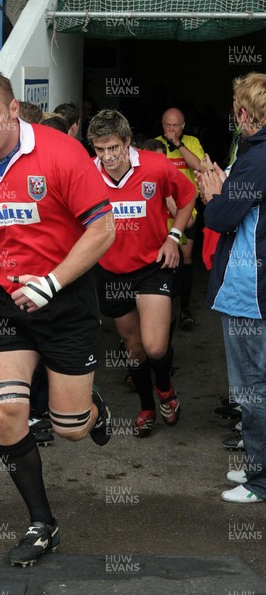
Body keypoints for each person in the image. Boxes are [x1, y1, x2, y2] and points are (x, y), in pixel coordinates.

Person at [0, 68, 116, 566]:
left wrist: (53, 281)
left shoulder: (62, 154)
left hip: (65, 299)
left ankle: (92, 411)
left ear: (14, 109)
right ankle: (42, 522)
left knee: (70, 427)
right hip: (5, 304)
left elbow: (102, 229)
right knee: (6, 412)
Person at [87, 109, 195, 437]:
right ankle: (147, 406)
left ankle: (165, 389)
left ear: (128, 142)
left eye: (113, 148)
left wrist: (174, 238)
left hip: (152, 267)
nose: (107, 157)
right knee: (134, 348)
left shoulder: (155, 165)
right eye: (99, 149)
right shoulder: (86, 174)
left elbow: (188, 196)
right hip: (111, 273)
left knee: (156, 347)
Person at [196, 72, 266, 504]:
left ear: (243, 113)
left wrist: (212, 196)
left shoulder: (256, 157)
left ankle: (260, 481)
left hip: (250, 293)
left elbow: (222, 219)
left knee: (252, 388)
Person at [156, 107, 205, 329]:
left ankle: (184, 309)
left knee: (185, 259)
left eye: (176, 125)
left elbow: (200, 167)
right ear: (162, 125)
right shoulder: (154, 144)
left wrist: (179, 144)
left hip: (189, 211)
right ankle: (163, 310)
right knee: (162, 261)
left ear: (183, 126)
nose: (172, 129)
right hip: (162, 212)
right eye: (168, 125)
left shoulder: (191, 142)